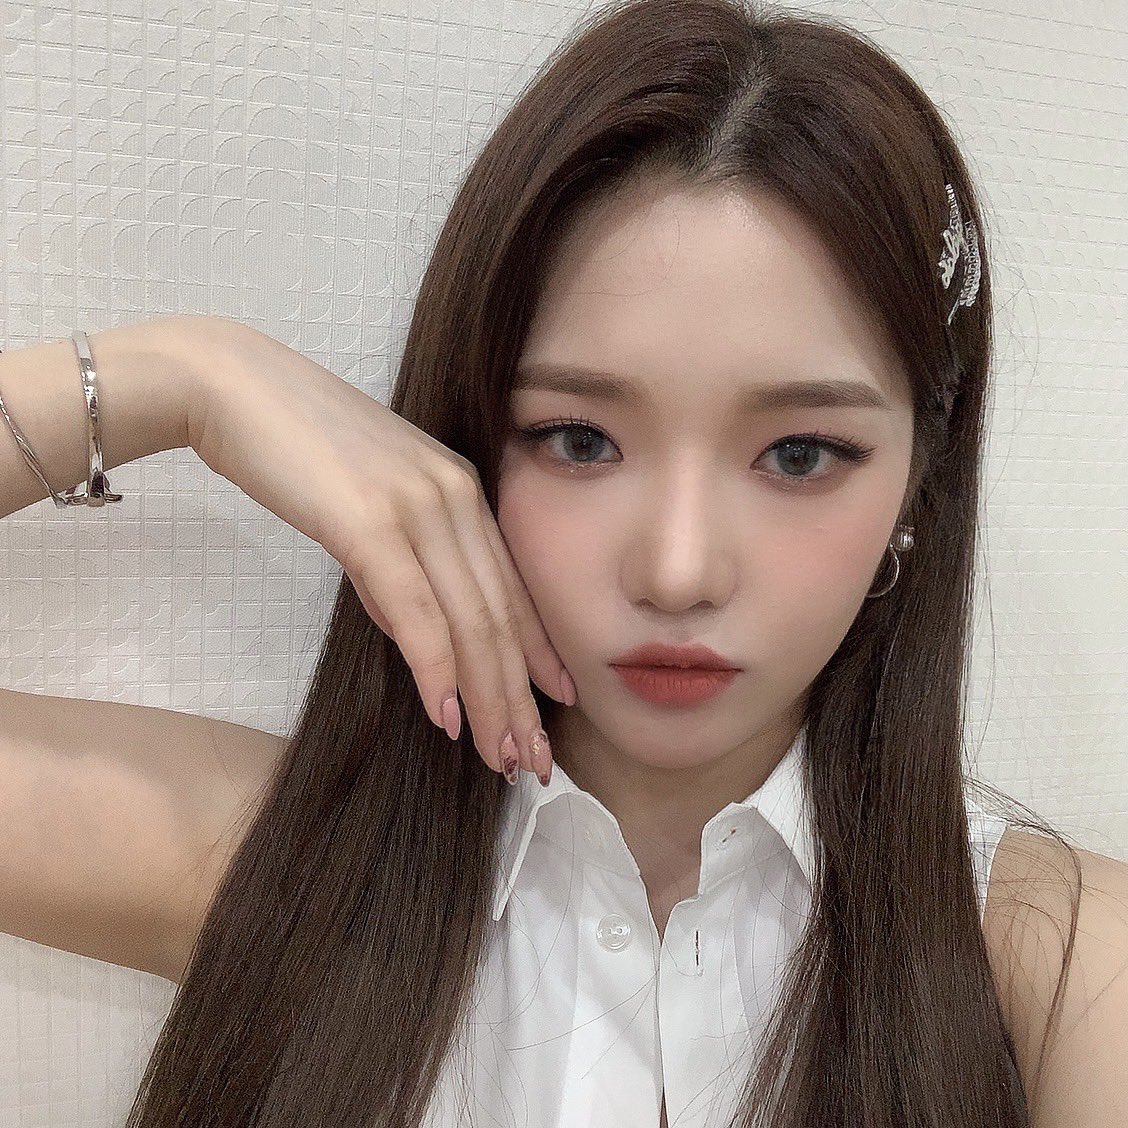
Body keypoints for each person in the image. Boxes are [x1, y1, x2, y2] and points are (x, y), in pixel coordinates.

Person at [0, 1, 1125, 1125]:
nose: (677, 572)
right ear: (473, 446)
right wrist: (183, 380)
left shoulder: (1068, 962)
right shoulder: (288, 864)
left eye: (800, 454)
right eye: (579, 440)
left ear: (919, 484)